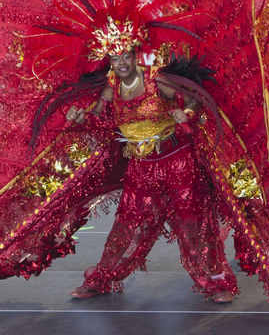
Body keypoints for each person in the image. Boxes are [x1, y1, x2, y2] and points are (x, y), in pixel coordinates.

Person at [65, 49, 237, 303]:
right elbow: (99, 117)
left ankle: (216, 282)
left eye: (126, 57)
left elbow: (193, 98)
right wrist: (81, 116)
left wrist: (186, 113)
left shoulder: (157, 80)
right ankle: (103, 278)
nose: (121, 63)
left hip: (177, 163)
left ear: (136, 57)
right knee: (127, 226)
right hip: (141, 166)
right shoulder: (111, 86)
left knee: (192, 225)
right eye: (115, 58)